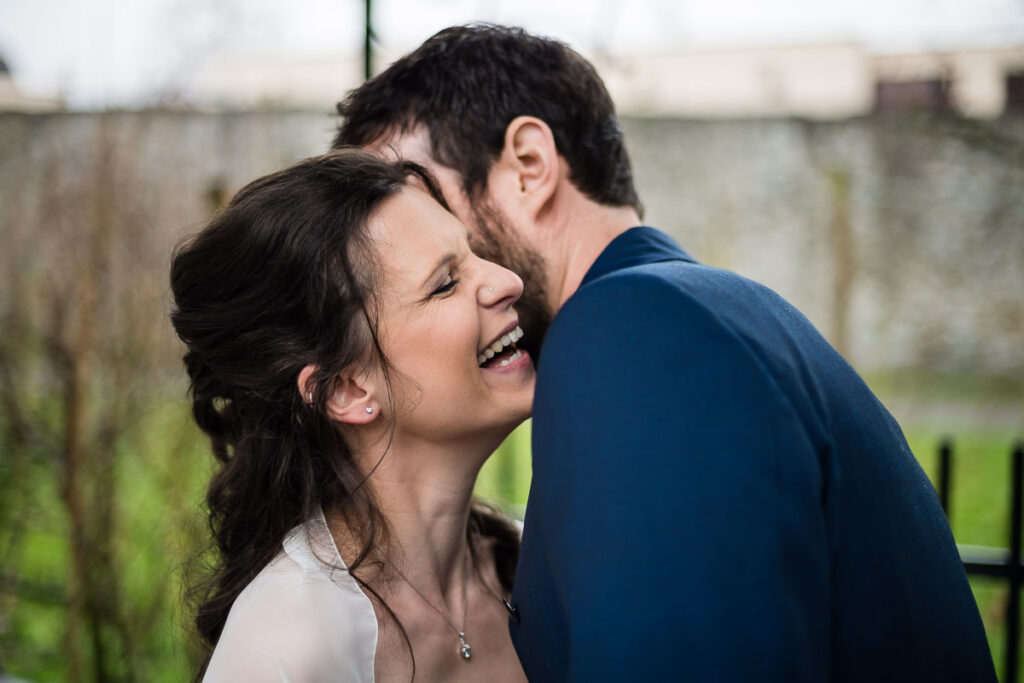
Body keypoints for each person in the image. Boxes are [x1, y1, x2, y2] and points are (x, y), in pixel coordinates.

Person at [333, 24, 998, 682]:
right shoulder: (695, 314)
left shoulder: (633, 335)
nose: (413, 239)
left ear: (529, 166)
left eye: (422, 202)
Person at [170, 149, 533, 682]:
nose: (507, 280)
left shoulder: (537, 571)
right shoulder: (285, 647)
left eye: (475, 252)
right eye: (445, 283)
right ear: (346, 389)